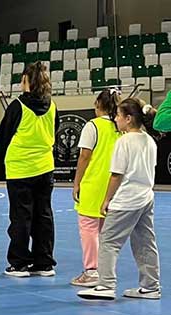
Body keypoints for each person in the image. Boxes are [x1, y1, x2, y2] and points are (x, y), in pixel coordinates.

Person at [78, 99, 161, 301]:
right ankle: (150, 286)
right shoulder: (149, 140)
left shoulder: (123, 141)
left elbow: (116, 175)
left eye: (118, 116)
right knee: (145, 242)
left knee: (108, 241)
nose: (115, 119)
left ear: (128, 118)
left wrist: (107, 199)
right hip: (146, 198)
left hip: (126, 200)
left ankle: (105, 284)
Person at [0, 61, 58, 277]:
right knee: (44, 215)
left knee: (21, 216)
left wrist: (0, 160)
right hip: (45, 167)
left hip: (20, 169)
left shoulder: (17, 106)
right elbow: (54, 131)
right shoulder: (52, 105)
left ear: (27, 81)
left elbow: (3, 137)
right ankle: (44, 261)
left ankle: (19, 261)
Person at [70, 89, 121, 287]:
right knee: (105, 230)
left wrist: (77, 182)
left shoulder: (93, 126)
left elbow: (85, 156)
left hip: (93, 183)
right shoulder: (119, 126)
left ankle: (91, 270)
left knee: (88, 228)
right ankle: (104, 269)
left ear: (98, 104)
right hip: (113, 184)